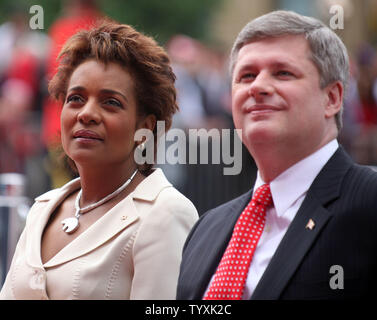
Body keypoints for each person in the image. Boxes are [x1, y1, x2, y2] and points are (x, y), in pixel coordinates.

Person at [177, 10, 377, 300]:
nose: (257, 86)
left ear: (332, 98)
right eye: (246, 76)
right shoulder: (206, 229)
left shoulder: (369, 205)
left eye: (283, 72)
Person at [0, 20, 198, 300]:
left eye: (111, 102)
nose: (86, 114)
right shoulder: (41, 209)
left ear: (146, 128)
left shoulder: (165, 214)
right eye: (76, 98)